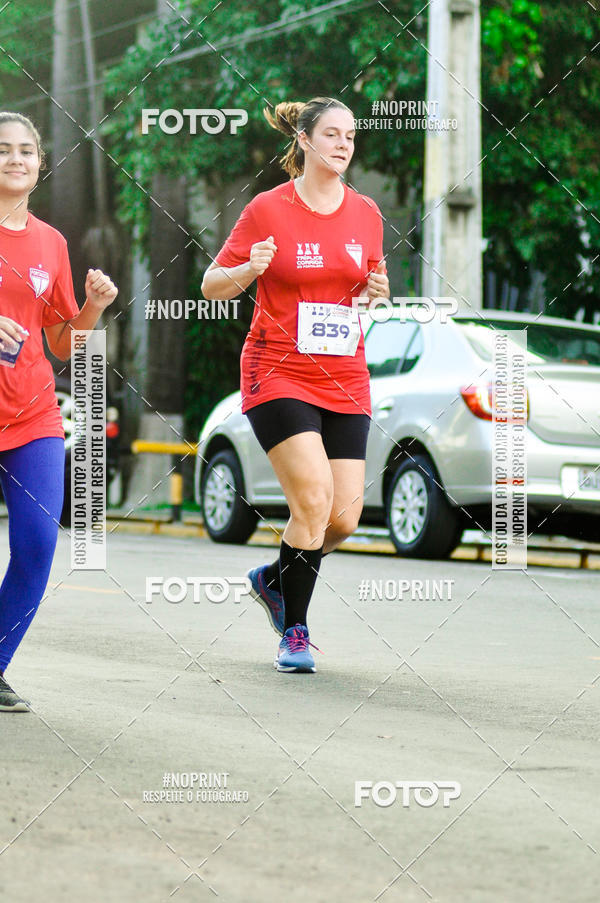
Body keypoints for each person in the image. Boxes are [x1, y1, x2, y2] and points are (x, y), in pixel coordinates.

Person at [202, 96, 389, 674]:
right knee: (311, 501)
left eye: (351, 136)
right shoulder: (267, 209)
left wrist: (375, 295)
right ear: (304, 140)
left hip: (345, 374)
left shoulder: (367, 213)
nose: (343, 144)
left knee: (343, 518)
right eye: (332, 134)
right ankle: (296, 631)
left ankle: (274, 579)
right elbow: (212, 285)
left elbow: (368, 287)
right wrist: (249, 269)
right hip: (277, 368)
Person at [0, 112, 118, 711]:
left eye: (26, 151)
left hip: (33, 416)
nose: (15, 159)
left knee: (39, 543)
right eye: (3, 150)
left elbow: (64, 344)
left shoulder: (51, 243)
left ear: (41, 163)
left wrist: (93, 308)